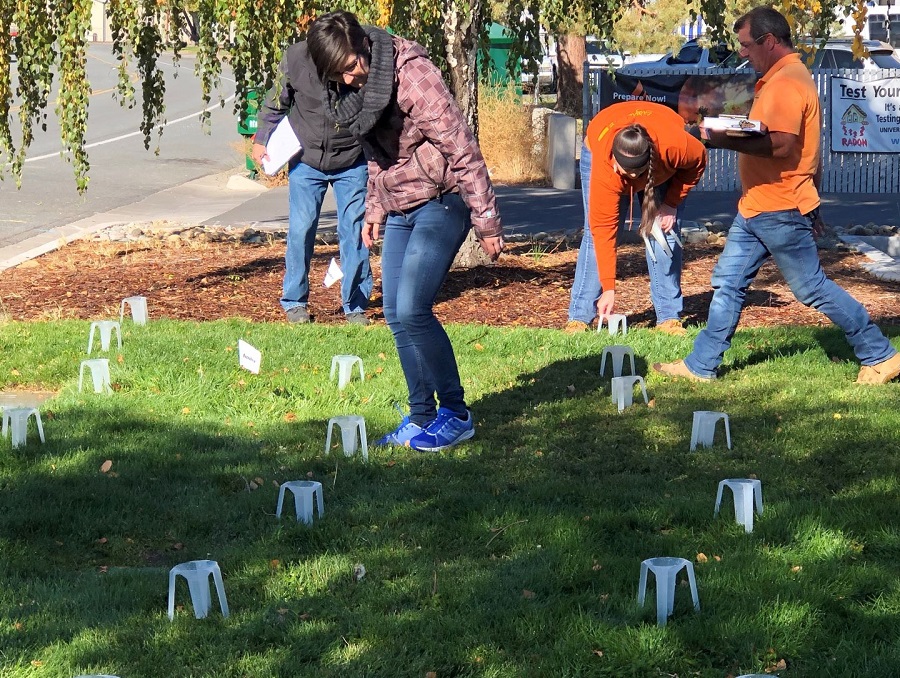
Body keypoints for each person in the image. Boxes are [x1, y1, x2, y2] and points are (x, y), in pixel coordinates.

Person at [653, 6, 900, 384]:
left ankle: (880, 354)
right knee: (729, 283)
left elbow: (783, 146)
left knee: (811, 288)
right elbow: (806, 151)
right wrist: (811, 200)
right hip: (758, 206)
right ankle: (701, 366)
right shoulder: (780, 77)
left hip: (779, 208)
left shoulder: (787, 82)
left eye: (746, 44)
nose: (742, 53)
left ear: (769, 41)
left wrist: (719, 138)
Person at [306, 11, 504, 450]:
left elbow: (462, 147)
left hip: (444, 199)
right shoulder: (353, 92)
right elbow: (376, 154)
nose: (350, 76)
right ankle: (421, 417)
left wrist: (486, 221)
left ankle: (456, 414)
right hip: (400, 204)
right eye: (339, 71)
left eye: (352, 64)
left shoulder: (412, 75)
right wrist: (375, 208)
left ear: (364, 47)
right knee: (395, 313)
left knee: (414, 308)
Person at [252, 39, 372, 325]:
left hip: (352, 160)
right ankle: (295, 301)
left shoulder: (360, 61)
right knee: (301, 229)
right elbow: (276, 100)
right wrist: (261, 138)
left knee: (354, 232)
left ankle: (354, 305)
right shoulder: (296, 57)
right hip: (306, 160)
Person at [565, 101, 707, 336]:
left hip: (660, 140)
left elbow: (698, 161)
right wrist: (609, 288)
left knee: (663, 232)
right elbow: (604, 231)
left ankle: (668, 317)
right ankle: (579, 317)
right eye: (625, 172)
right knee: (595, 234)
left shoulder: (672, 147)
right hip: (600, 140)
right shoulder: (606, 170)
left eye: (636, 173)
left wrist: (671, 204)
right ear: (615, 162)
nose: (630, 178)